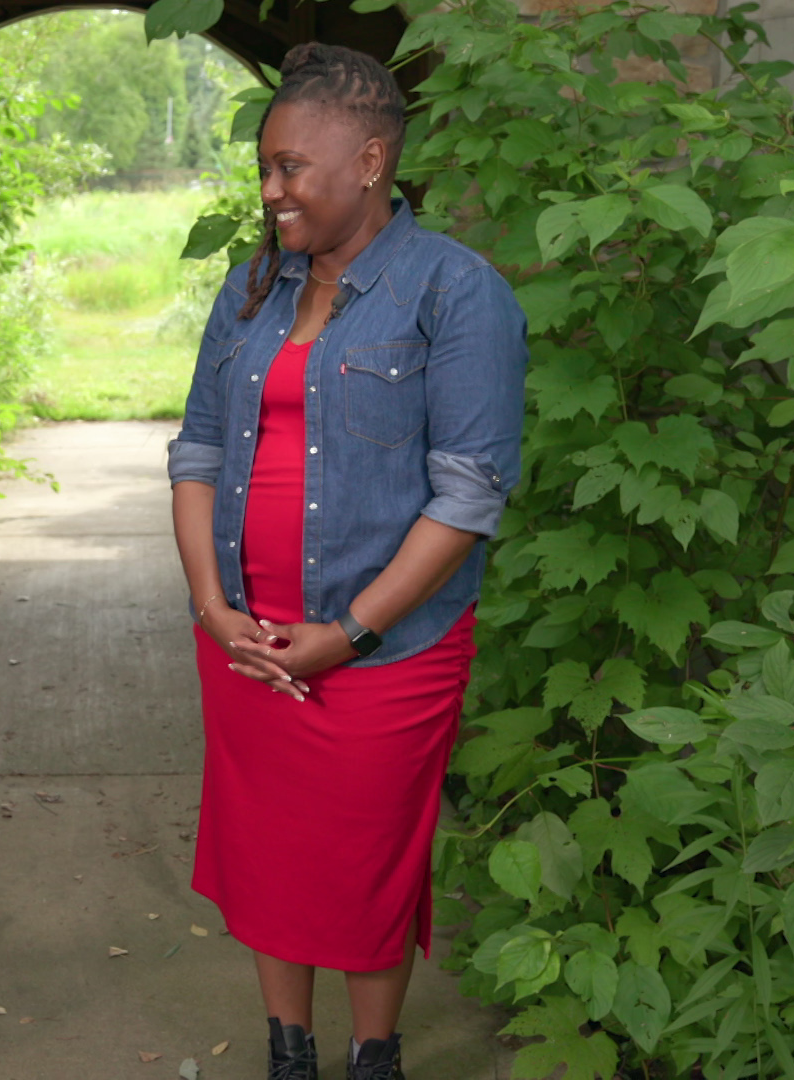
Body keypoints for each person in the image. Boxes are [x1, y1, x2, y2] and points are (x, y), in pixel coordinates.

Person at [167, 43, 528, 1080]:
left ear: (371, 160)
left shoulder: (457, 294)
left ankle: (375, 1057)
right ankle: (292, 1053)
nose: (270, 188)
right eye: (266, 167)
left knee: (366, 864)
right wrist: (208, 605)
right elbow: (195, 450)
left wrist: (351, 629)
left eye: (291, 167)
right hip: (248, 638)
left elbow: (466, 495)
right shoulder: (252, 287)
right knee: (271, 856)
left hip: (383, 651)